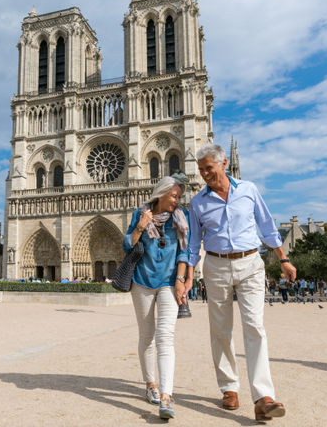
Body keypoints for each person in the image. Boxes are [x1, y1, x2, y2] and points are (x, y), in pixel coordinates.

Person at [187, 144, 295, 421]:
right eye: (200, 170)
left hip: (250, 263)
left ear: (223, 164)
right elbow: (192, 243)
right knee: (220, 330)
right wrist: (187, 275)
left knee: (255, 327)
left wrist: (283, 259)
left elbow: (267, 225)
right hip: (215, 264)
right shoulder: (198, 202)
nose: (204, 174)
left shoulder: (248, 189)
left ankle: (263, 396)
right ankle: (229, 387)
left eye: (208, 168)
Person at [123, 176, 191, 420]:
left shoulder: (181, 218)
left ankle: (166, 395)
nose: (177, 200)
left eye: (179, 197)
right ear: (160, 194)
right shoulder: (140, 213)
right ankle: (150, 384)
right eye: (174, 196)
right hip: (142, 282)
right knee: (147, 336)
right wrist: (142, 225)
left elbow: (185, 252)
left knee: (166, 337)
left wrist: (181, 281)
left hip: (169, 283)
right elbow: (127, 245)